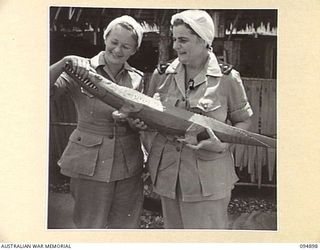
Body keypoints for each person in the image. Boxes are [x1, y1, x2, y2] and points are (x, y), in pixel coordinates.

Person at [144, 10, 253, 229]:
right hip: (168, 175)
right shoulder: (162, 75)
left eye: (183, 40)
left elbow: (244, 121)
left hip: (208, 177)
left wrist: (223, 145)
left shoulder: (226, 78)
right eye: (175, 39)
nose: (176, 46)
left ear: (204, 40)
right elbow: (149, 117)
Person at [49, 15, 147, 229]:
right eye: (114, 42)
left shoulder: (137, 79)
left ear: (134, 50)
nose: (118, 50)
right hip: (90, 163)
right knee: (89, 226)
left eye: (126, 46)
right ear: (105, 39)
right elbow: (42, 91)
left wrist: (135, 123)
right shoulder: (80, 69)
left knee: (126, 228)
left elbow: (139, 118)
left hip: (128, 165)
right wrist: (63, 62)